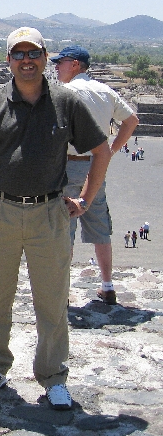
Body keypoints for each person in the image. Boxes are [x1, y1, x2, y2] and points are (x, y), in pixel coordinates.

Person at [0, 27, 110, 410]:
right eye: (18, 54)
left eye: (34, 53)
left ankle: (53, 375)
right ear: (8, 60)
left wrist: (86, 200)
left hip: (49, 213)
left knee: (53, 299)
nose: (26, 60)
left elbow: (100, 149)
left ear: (44, 57)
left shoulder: (66, 101)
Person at [50, 45, 138, 306]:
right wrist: (109, 152)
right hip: (95, 167)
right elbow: (131, 120)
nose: (56, 67)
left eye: (61, 62)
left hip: (66, 166)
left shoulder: (64, 92)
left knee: (64, 227)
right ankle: (107, 285)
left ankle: (61, 290)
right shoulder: (104, 91)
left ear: (75, 64)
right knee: (100, 227)